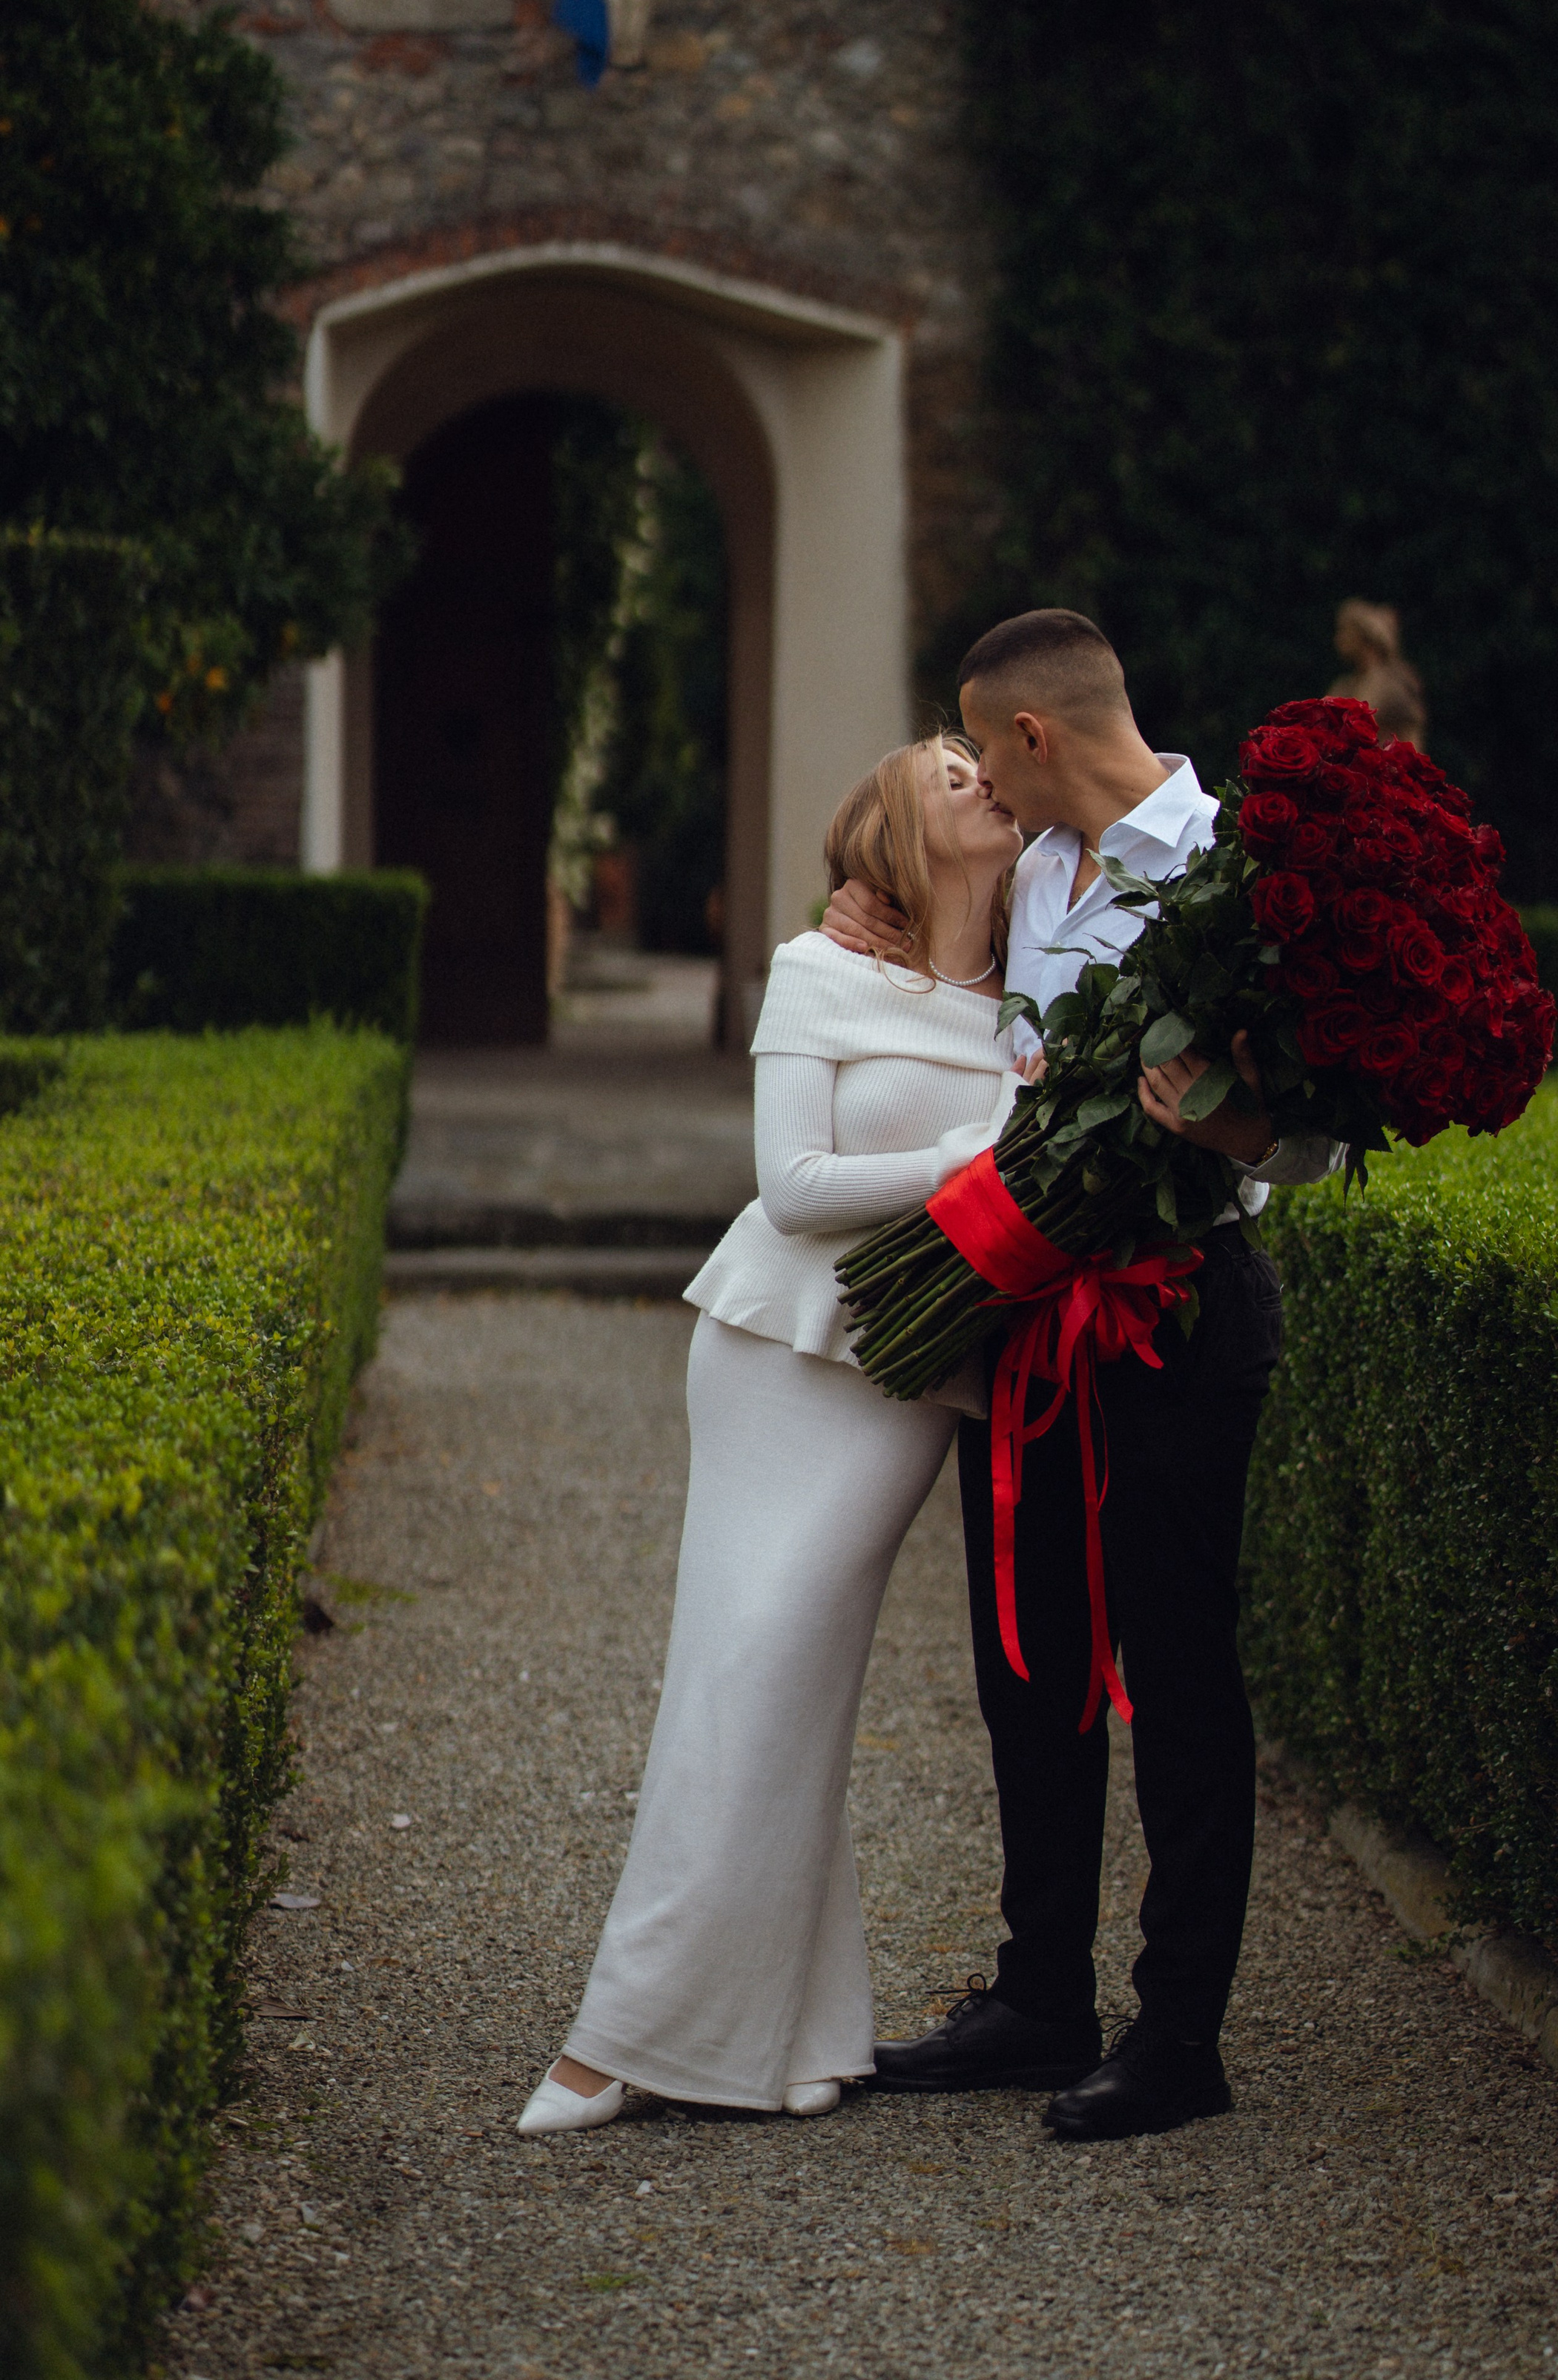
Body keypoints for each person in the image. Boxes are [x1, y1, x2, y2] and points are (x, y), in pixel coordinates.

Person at [822, 610, 1341, 2143]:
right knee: (1028, 1662)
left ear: (1032, 736)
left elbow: (1309, 1143)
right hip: (1030, 1314)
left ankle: (1179, 2035)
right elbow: (937, 1003)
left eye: (982, 747)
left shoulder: (1235, 877)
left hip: (1180, 1312)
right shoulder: (1028, 868)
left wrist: (1224, 1127)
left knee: (1177, 1674)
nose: (976, 779)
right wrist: (865, 920)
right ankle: (1038, 1995)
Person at [516, 733, 1021, 2134]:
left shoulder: (1042, 990)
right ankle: (670, 2032)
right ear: (897, 837)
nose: (978, 776)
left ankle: (758, 2030)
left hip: (908, 1380)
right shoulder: (822, 969)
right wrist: (975, 1163)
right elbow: (793, 1186)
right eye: (947, 774)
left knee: (788, 1676)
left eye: (986, 763)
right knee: (742, 1674)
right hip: (770, 1354)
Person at [1326, 598, 1427, 748]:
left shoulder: (1393, 684)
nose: (1338, 638)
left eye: (1345, 631)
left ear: (1365, 637)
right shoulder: (1345, 685)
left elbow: (1411, 743)